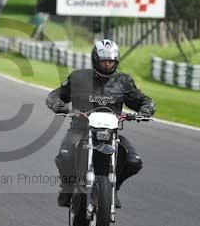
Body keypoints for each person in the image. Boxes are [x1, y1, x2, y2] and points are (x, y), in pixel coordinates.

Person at [45, 39, 156, 208]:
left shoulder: (124, 81)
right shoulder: (78, 77)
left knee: (134, 161)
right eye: (103, 61)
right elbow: (55, 95)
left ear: (116, 61)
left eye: (110, 61)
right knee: (65, 156)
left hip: (111, 133)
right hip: (80, 129)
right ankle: (67, 188)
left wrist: (146, 110)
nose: (107, 64)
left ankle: (113, 189)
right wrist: (59, 106)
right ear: (95, 60)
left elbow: (143, 100)